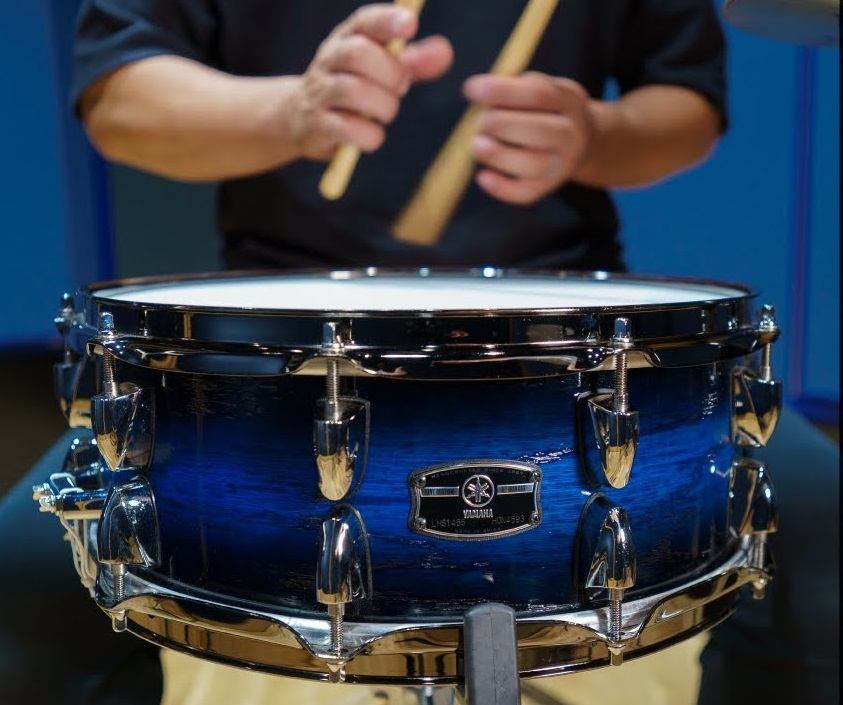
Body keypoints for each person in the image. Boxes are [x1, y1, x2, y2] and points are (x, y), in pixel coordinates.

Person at [0, 1, 837, 704]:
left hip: (574, 345)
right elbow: (119, 96)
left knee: (820, 542)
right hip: (269, 359)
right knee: (27, 581)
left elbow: (687, 99)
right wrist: (289, 113)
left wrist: (597, 133)